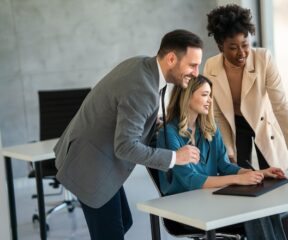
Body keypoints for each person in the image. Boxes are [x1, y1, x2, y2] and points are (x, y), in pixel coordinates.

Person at [53, 29, 203, 240]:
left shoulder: (143, 65)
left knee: (124, 221)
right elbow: (125, 147)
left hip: (94, 154)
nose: (196, 73)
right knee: (111, 235)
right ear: (171, 59)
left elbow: (126, 110)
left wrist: (151, 123)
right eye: (192, 65)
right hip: (90, 166)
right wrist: (175, 158)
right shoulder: (142, 87)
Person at [203, 4, 288, 239]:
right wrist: (227, 151)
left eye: (245, 45)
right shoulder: (211, 66)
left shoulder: (263, 58)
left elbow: (280, 104)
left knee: (282, 199)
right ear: (220, 46)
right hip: (235, 131)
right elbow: (216, 114)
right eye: (233, 48)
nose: (241, 53)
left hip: (264, 130)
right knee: (246, 196)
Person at [157, 75, 288, 240]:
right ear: (187, 96)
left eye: (210, 95)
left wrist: (261, 173)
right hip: (184, 209)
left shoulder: (210, 128)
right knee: (256, 214)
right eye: (205, 95)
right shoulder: (167, 134)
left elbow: (225, 166)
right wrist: (237, 180)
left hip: (210, 200)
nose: (210, 100)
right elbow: (190, 180)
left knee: (265, 208)